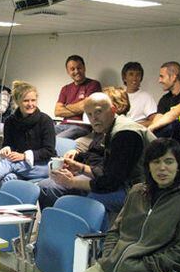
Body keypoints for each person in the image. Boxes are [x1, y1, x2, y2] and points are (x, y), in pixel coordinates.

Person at [66, 138, 180, 272]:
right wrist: (110, 255)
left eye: (169, 162)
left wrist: (143, 265)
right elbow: (115, 231)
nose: (162, 168)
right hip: (116, 263)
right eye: (156, 162)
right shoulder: (137, 192)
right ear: (148, 166)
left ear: (179, 165)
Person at [38, 91, 156, 219]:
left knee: (92, 200)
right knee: (49, 187)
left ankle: (89, 237)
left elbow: (110, 182)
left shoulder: (124, 134)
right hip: (127, 183)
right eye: (89, 114)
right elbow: (108, 172)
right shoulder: (110, 129)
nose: (94, 118)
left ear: (112, 110)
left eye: (98, 112)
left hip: (145, 190)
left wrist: (71, 182)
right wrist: (79, 167)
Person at [54, 55, 102, 139]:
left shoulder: (94, 85)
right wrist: (78, 107)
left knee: (58, 140)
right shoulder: (65, 89)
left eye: (79, 68)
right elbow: (57, 112)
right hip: (63, 124)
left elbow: (86, 106)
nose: (76, 71)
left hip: (81, 126)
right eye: (72, 69)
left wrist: (67, 107)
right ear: (68, 71)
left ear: (84, 68)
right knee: (41, 135)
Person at [148, 61, 180, 154]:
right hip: (173, 147)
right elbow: (157, 120)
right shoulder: (165, 99)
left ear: (174, 77)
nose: (159, 80)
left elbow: (174, 113)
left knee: (173, 124)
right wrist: (150, 131)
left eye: (162, 76)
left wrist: (150, 129)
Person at [122, 61, 157, 127]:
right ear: (124, 78)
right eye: (131, 74)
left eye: (138, 75)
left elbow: (154, 121)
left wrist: (133, 126)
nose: (134, 78)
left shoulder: (146, 97)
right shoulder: (119, 96)